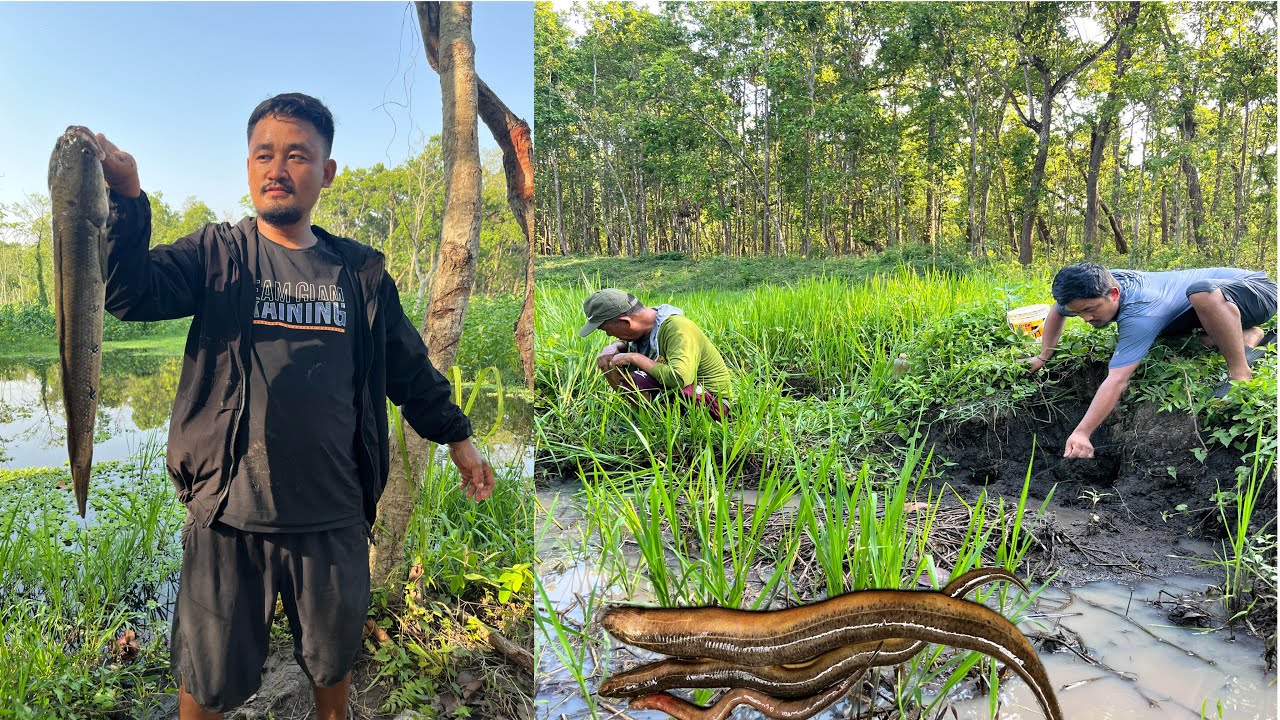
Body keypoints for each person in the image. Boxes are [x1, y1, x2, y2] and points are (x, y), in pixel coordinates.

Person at [94, 93, 495, 720]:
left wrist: (457, 434)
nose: (277, 167)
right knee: (208, 678)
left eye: (297, 154)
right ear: (248, 167)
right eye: (263, 154)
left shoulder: (359, 273)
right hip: (229, 512)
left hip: (333, 515)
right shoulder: (216, 256)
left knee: (332, 663)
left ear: (326, 171)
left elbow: (408, 366)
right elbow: (126, 293)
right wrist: (125, 197)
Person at [1024, 262, 1276, 460]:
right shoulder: (1092, 287)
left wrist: (1082, 432)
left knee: (1202, 294)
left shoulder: (1140, 311)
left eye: (1090, 309)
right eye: (1078, 313)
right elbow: (1059, 309)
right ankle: (1246, 335)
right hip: (1203, 303)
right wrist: (1044, 355)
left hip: (1255, 292)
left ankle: (1240, 374)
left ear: (1113, 294)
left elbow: (1118, 379)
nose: (1086, 318)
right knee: (1179, 332)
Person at [579, 289, 732, 420]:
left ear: (625, 322)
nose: (609, 335)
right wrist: (614, 347)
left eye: (607, 330)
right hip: (681, 397)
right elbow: (636, 343)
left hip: (713, 405)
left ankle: (656, 423)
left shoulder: (678, 328)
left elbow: (679, 378)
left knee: (637, 377)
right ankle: (648, 418)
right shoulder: (645, 328)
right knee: (614, 362)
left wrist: (635, 357)